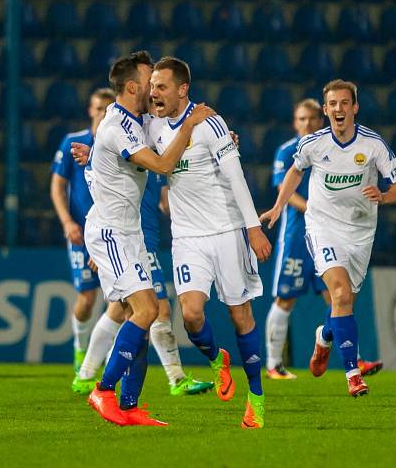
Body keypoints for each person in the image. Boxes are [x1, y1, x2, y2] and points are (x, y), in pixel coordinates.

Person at [84, 51, 214, 427]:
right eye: (150, 82)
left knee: (140, 315)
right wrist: (190, 126)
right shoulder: (116, 126)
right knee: (146, 311)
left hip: (129, 232)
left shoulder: (133, 121)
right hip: (111, 231)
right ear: (131, 87)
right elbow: (161, 164)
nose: (156, 88)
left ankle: (129, 405)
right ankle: (103, 390)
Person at [261, 79, 396, 397]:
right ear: (326, 110)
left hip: (359, 233)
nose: (338, 109)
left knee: (343, 302)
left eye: (345, 103)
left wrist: (382, 195)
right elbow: (294, 172)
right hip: (322, 228)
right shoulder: (312, 144)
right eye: (333, 104)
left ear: (354, 108)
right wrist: (277, 207)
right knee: (338, 294)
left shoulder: (373, 145)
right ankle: (353, 375)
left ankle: (324, 336)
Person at [147, 57, 271, 428]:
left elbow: (236, 177)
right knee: (191, 314)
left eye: (162, 87)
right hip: (187, 237)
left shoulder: (211, 124)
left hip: (228, 230)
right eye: (152, 86)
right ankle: (218, 361)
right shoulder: (151, 127)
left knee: (240, 315)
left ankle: (256, 398)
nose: (154, 93)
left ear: (182, 89)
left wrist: (252, 229)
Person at [264, 99, 327, 379]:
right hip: (296, 238)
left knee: (337, 297)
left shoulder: (329, 150)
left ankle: (357, 359)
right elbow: (284, 190)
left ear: (321, 121)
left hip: (326, 235)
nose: (307, 124)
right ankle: (274, 364)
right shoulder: (288, 151)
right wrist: (315, 209)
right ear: (295, 122)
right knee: (285, 298)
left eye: (312, 119)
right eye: (302, 119)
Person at [50, 89, 110, 375]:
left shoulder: (117, 144)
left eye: (107, 109)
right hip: (81, 234)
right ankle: (80, 347)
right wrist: (67, 223)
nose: (101, 113)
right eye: (98, 108)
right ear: (90, 110)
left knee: (117, 299)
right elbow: (57, 186)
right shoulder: (74, 142)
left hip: (112, 234)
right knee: (87, 298)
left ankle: (110, 360)